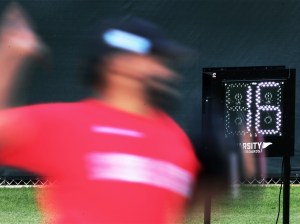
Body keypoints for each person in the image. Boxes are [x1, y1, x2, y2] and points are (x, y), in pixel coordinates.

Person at [0, 4, 201, 224]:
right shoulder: (70, 124)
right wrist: (10, 59)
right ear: (119, 64)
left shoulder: (174, 137)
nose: (165, 71)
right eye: (155, 60)